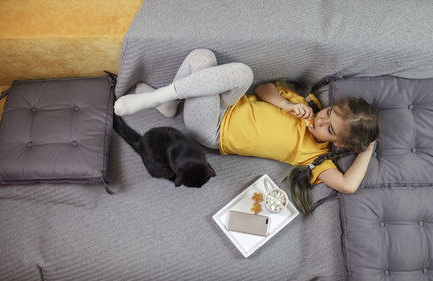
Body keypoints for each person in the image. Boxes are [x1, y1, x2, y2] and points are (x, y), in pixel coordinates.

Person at [114, 49, 380, 214]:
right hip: (227, 102)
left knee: (221, 67)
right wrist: (286, 105)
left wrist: (369, 147)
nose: (321, 120)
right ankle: (170, 103)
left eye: (329, 129)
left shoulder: (313, 156)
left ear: (340, 144)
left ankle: (158, 98)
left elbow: (348, 185)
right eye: (329, 112)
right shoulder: (309, 104)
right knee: (206, 58)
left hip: (213, 129)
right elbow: (263, 91)